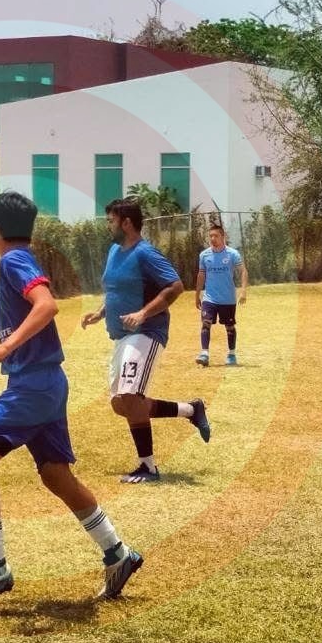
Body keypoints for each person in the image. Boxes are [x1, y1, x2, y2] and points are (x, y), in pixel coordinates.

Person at [0, 191, 143, 604]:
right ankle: (118, 553)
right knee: (56, 476)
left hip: (32, 390)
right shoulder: (20, 259)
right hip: (46, 383)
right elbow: (14, 343)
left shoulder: (13, 260)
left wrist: (6, 348)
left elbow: (46, 306)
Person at [81, 197, 213, 484]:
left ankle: (148, 466)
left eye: (111, 220)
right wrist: (101, 313)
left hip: (146, 333)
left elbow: (175, 286)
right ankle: (191, 409)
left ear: (127, 223)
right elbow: (117, 289)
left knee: (131, 398)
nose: (108, 225)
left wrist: (143, 313)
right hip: (122, 336)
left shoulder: (145, 253)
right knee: (121, 404)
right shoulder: (114, 251)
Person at [195, 224, 249, 367]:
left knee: (229, 327)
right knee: (205, 323)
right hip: (209, 298)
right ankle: (204, 354)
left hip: (227, 299)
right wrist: (197, 295)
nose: (213, 239)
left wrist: (243, 290)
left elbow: (243, 271)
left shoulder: (232, 254)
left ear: (222, 236)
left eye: (216, 236)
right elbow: (201, 275)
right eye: (211, 236)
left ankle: (231, 354)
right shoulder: (204, 255)